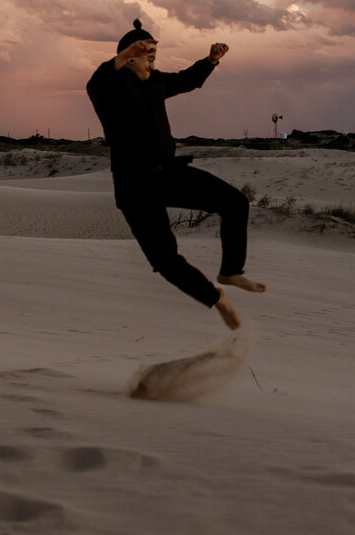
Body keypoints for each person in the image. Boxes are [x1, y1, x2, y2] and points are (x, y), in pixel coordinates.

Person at [87, 19, 265, 330]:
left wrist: (210, 61)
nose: (154, 63)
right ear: (128, 58)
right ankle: (216, 298)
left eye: (156, 56)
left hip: (167, 175)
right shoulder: (111, 89)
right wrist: (125, 52)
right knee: (165, 261)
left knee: (236, 202)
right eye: (148, 56)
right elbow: (96, 82)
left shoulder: (155, 83)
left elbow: (187, 79)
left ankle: (231, 270)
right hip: (135, 189)